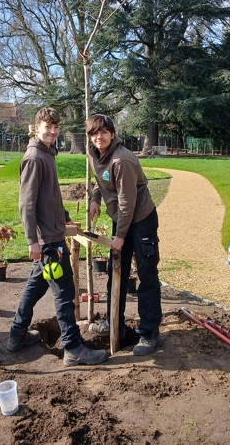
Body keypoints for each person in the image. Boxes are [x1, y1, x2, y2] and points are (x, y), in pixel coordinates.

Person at [7, 107, 109, 367]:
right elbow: (26, 204)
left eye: (55, 127)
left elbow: (49, 196)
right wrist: (33, 240)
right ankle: (74, 349)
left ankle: (16, 336)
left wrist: (63, 216)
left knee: (36, 286)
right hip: (47, 240)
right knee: (65, 293)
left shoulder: (46, 152)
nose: (52, 131)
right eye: (47, 126)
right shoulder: (34, 157)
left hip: (52, 232)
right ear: (36, 127)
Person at [86, 114, 162, 356]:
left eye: (104, 132)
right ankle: (113, 322)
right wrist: (95, 199)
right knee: (114, 271)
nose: (99, 137)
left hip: (140, 220)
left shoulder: (123, 161)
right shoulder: (94, 153)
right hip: (121, 218)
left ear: (113, 133)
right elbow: (101, 179)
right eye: (94, 133)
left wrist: (119, 237)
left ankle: (149, 332)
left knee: (146, 273)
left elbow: (127, 204)